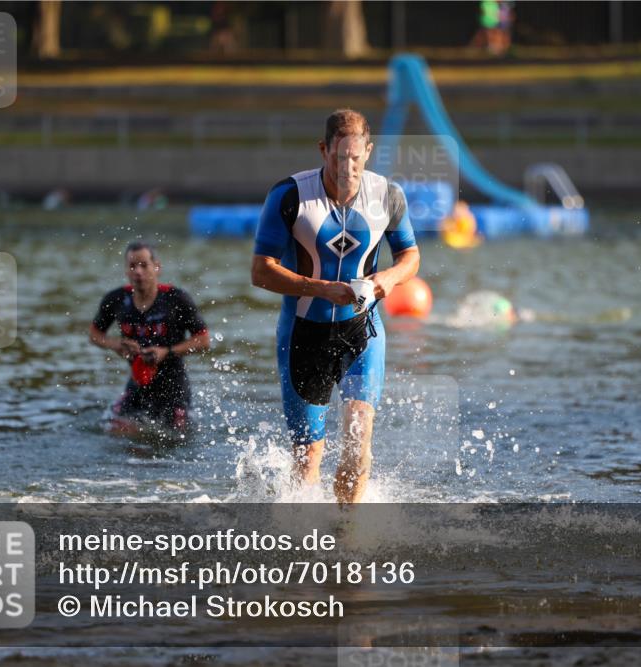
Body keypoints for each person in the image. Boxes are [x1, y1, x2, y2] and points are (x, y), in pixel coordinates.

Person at [251, 109, 420, 504]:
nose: (348, 168)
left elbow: (410, 256)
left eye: (356, 158)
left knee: (359, 438)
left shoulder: (388, 196)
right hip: (303, 334)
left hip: (362, 332)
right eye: (339, 158)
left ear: (368, 152)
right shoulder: (290, 195)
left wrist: (389, 278)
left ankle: (349, 530)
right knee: (308, 456)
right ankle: (308, 532)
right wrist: (321, 289)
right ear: (323, 150)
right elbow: (260, 272)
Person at [89, 241, 210, 432]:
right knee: (113, 430)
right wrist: (116, 344)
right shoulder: (116, 300)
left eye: (144, 265)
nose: (138, 271)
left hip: (173, 387)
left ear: (157, 267)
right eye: (132, 266)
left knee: (176, 435)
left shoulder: (176, 299)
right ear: (126, 271)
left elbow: (203, 340)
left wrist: (166, 352)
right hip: (137, 383)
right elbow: (94, 334)